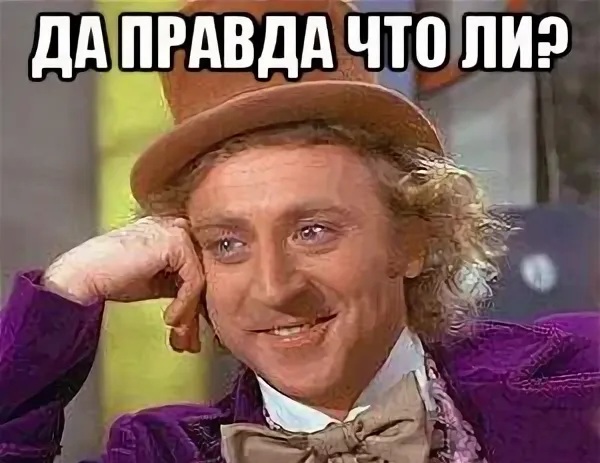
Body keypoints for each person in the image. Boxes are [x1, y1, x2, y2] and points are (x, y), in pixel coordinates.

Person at [1, 1, 598, 462]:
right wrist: (70, 287)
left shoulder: (582, 378)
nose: (275, 288)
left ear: (412, 238)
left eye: (312, 231)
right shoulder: (158, 451)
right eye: (227, 244)